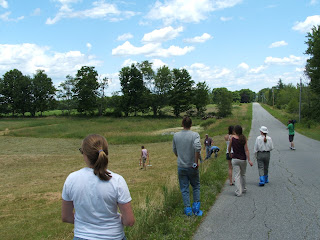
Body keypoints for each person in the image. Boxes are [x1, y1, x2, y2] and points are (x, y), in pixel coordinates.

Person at [62, 134, 135, 240]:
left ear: (85, 154)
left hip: (82, 236)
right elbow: (129, 221)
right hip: (114, 236)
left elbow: (66, 217)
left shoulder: (72, 179)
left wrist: (86, 222)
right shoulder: (117, 181)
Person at [173, 116, 203, 216]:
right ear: (191, 124)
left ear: (182, 124)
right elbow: (197, 148)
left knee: (184, 188)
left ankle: (188, 209)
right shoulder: (195, 135)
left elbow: (175, 150)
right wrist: (195, 162)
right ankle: (196, 208)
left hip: (181, 166)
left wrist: (180, 158)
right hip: (192, 166)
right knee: (196, 186)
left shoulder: (176, 135)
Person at [228, 125, 253, 197]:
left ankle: (238, 191)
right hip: (243, 159)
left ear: (235, 131)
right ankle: (244, 188)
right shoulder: (243, 138)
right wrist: (249, 160)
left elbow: (229, 148)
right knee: (243, 174)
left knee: (237, 175)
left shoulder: (232, 138)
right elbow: (246, 150)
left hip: (235, 158)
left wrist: (230, 153)